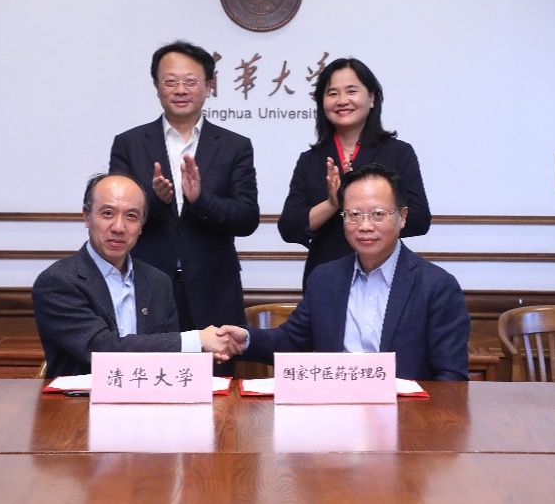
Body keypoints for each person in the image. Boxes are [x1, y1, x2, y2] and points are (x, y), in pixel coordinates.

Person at [224, 164, 468, 381]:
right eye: (353, 215)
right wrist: (245, 340)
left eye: (378, 214)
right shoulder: (325, 278)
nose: (365, 226)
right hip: (335, 409)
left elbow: (451, 377)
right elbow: (292, 341)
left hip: (406, 413)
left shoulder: (436, 286)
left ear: (402, 217)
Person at [108, 40, 260, 334]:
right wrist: (154, 201)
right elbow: (117, 218)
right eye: (170, 81)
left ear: (209, 86)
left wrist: (201, 200)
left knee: (217, 365)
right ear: (156, 86)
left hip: (214, 290)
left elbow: (247, 218)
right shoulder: (129, 144)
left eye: (190, 82)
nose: (180, 90)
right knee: (149, 363)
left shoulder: (235, 146)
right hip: (146, 286)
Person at [31, 172, 241, 379]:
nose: (119, 227)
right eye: (108, 213)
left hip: (150, 396)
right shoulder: (58, 281)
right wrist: (197, 341)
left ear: (142, 225)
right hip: (78, 399)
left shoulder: (158, 281)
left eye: (131, 216)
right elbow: (100, 349)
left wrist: (207, 351)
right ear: (87, 216)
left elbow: (169, 355)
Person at [278, 57, 432, 288]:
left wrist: (373, 214)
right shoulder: (310, 160)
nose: (342, 101)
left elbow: (419, 219)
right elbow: (289, 228)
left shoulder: (398, 153)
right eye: (332, 93)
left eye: (351, 91)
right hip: (326, 277)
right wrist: (333, 203)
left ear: (371, 98)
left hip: (386, 275)